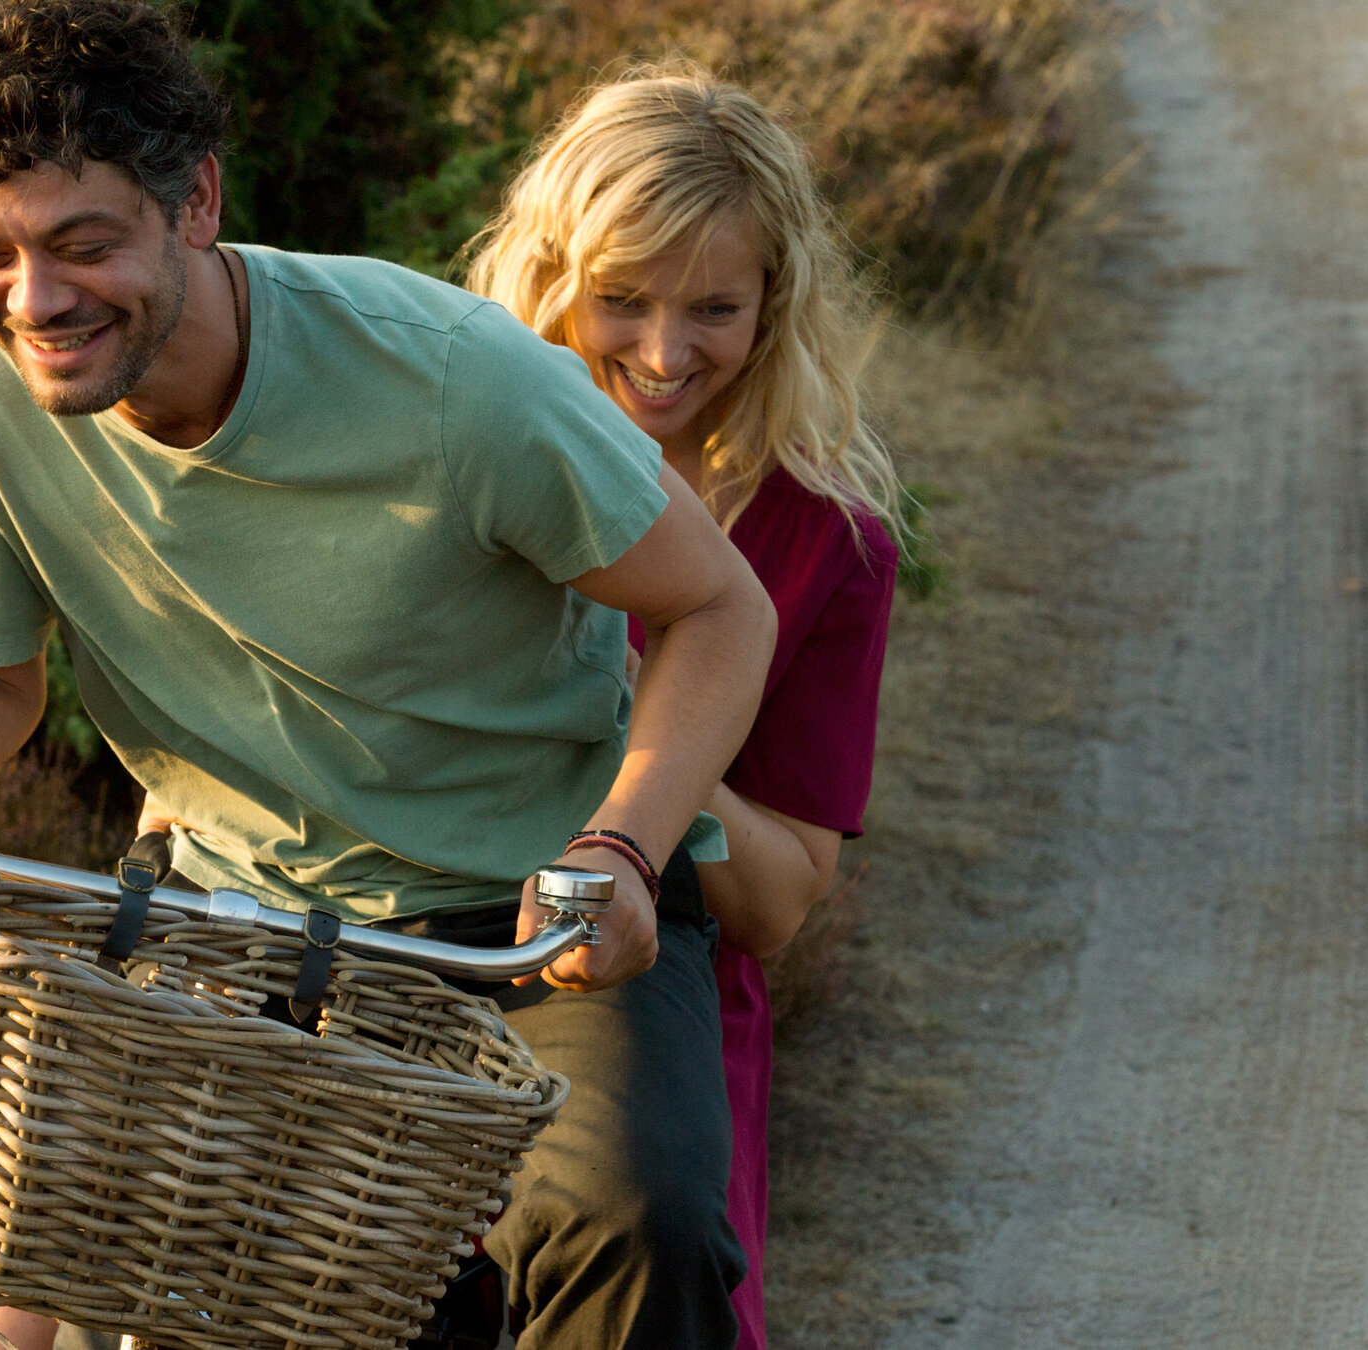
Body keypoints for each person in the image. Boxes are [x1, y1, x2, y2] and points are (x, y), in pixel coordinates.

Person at [0, 3, 773, 1348]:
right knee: (96, 1270)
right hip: (231, 911)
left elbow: (719, 608)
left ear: (194, 204)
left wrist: (627, 853)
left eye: (82, 243)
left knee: (634, 1225)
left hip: (533, 913)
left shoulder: (451, 377)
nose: (34, 299)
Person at [467, 70, 902, 1350]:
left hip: (670, 1026)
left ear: (776, 303)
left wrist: (649, 751)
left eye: (713, 307)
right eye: (620, 301)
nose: (665, 355)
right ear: (549, 278)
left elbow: (775, 900)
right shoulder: (457, 451)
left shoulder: (827, 537)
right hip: (413, 977)